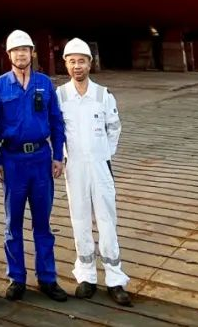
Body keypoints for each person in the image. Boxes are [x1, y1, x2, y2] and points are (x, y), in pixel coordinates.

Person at [0, 30, 68, 302]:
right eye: (16, 50)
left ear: (32, 53)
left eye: (25, 49)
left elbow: (56, 122)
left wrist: (58, 155)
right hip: (12, 160)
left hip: (40, 159)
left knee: (42, 223)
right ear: (9, 54)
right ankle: (17, 278)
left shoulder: (44, 84)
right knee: (12, 224)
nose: (21, 54)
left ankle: (47, 278)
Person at [57, 38, 131, 307]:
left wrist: (104, 154)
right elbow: (56, 130)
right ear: (66, 64)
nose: (77, 66)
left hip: (100, 165)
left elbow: (115, 127)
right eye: (72, 61)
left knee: (106, 219)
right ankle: (86, 275)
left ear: (90, 63)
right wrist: (63, 156)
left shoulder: (103, 94)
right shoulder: (59, 95)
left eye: (82, 61)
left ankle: (115, 278)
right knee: (79, 218)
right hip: (74, 166)